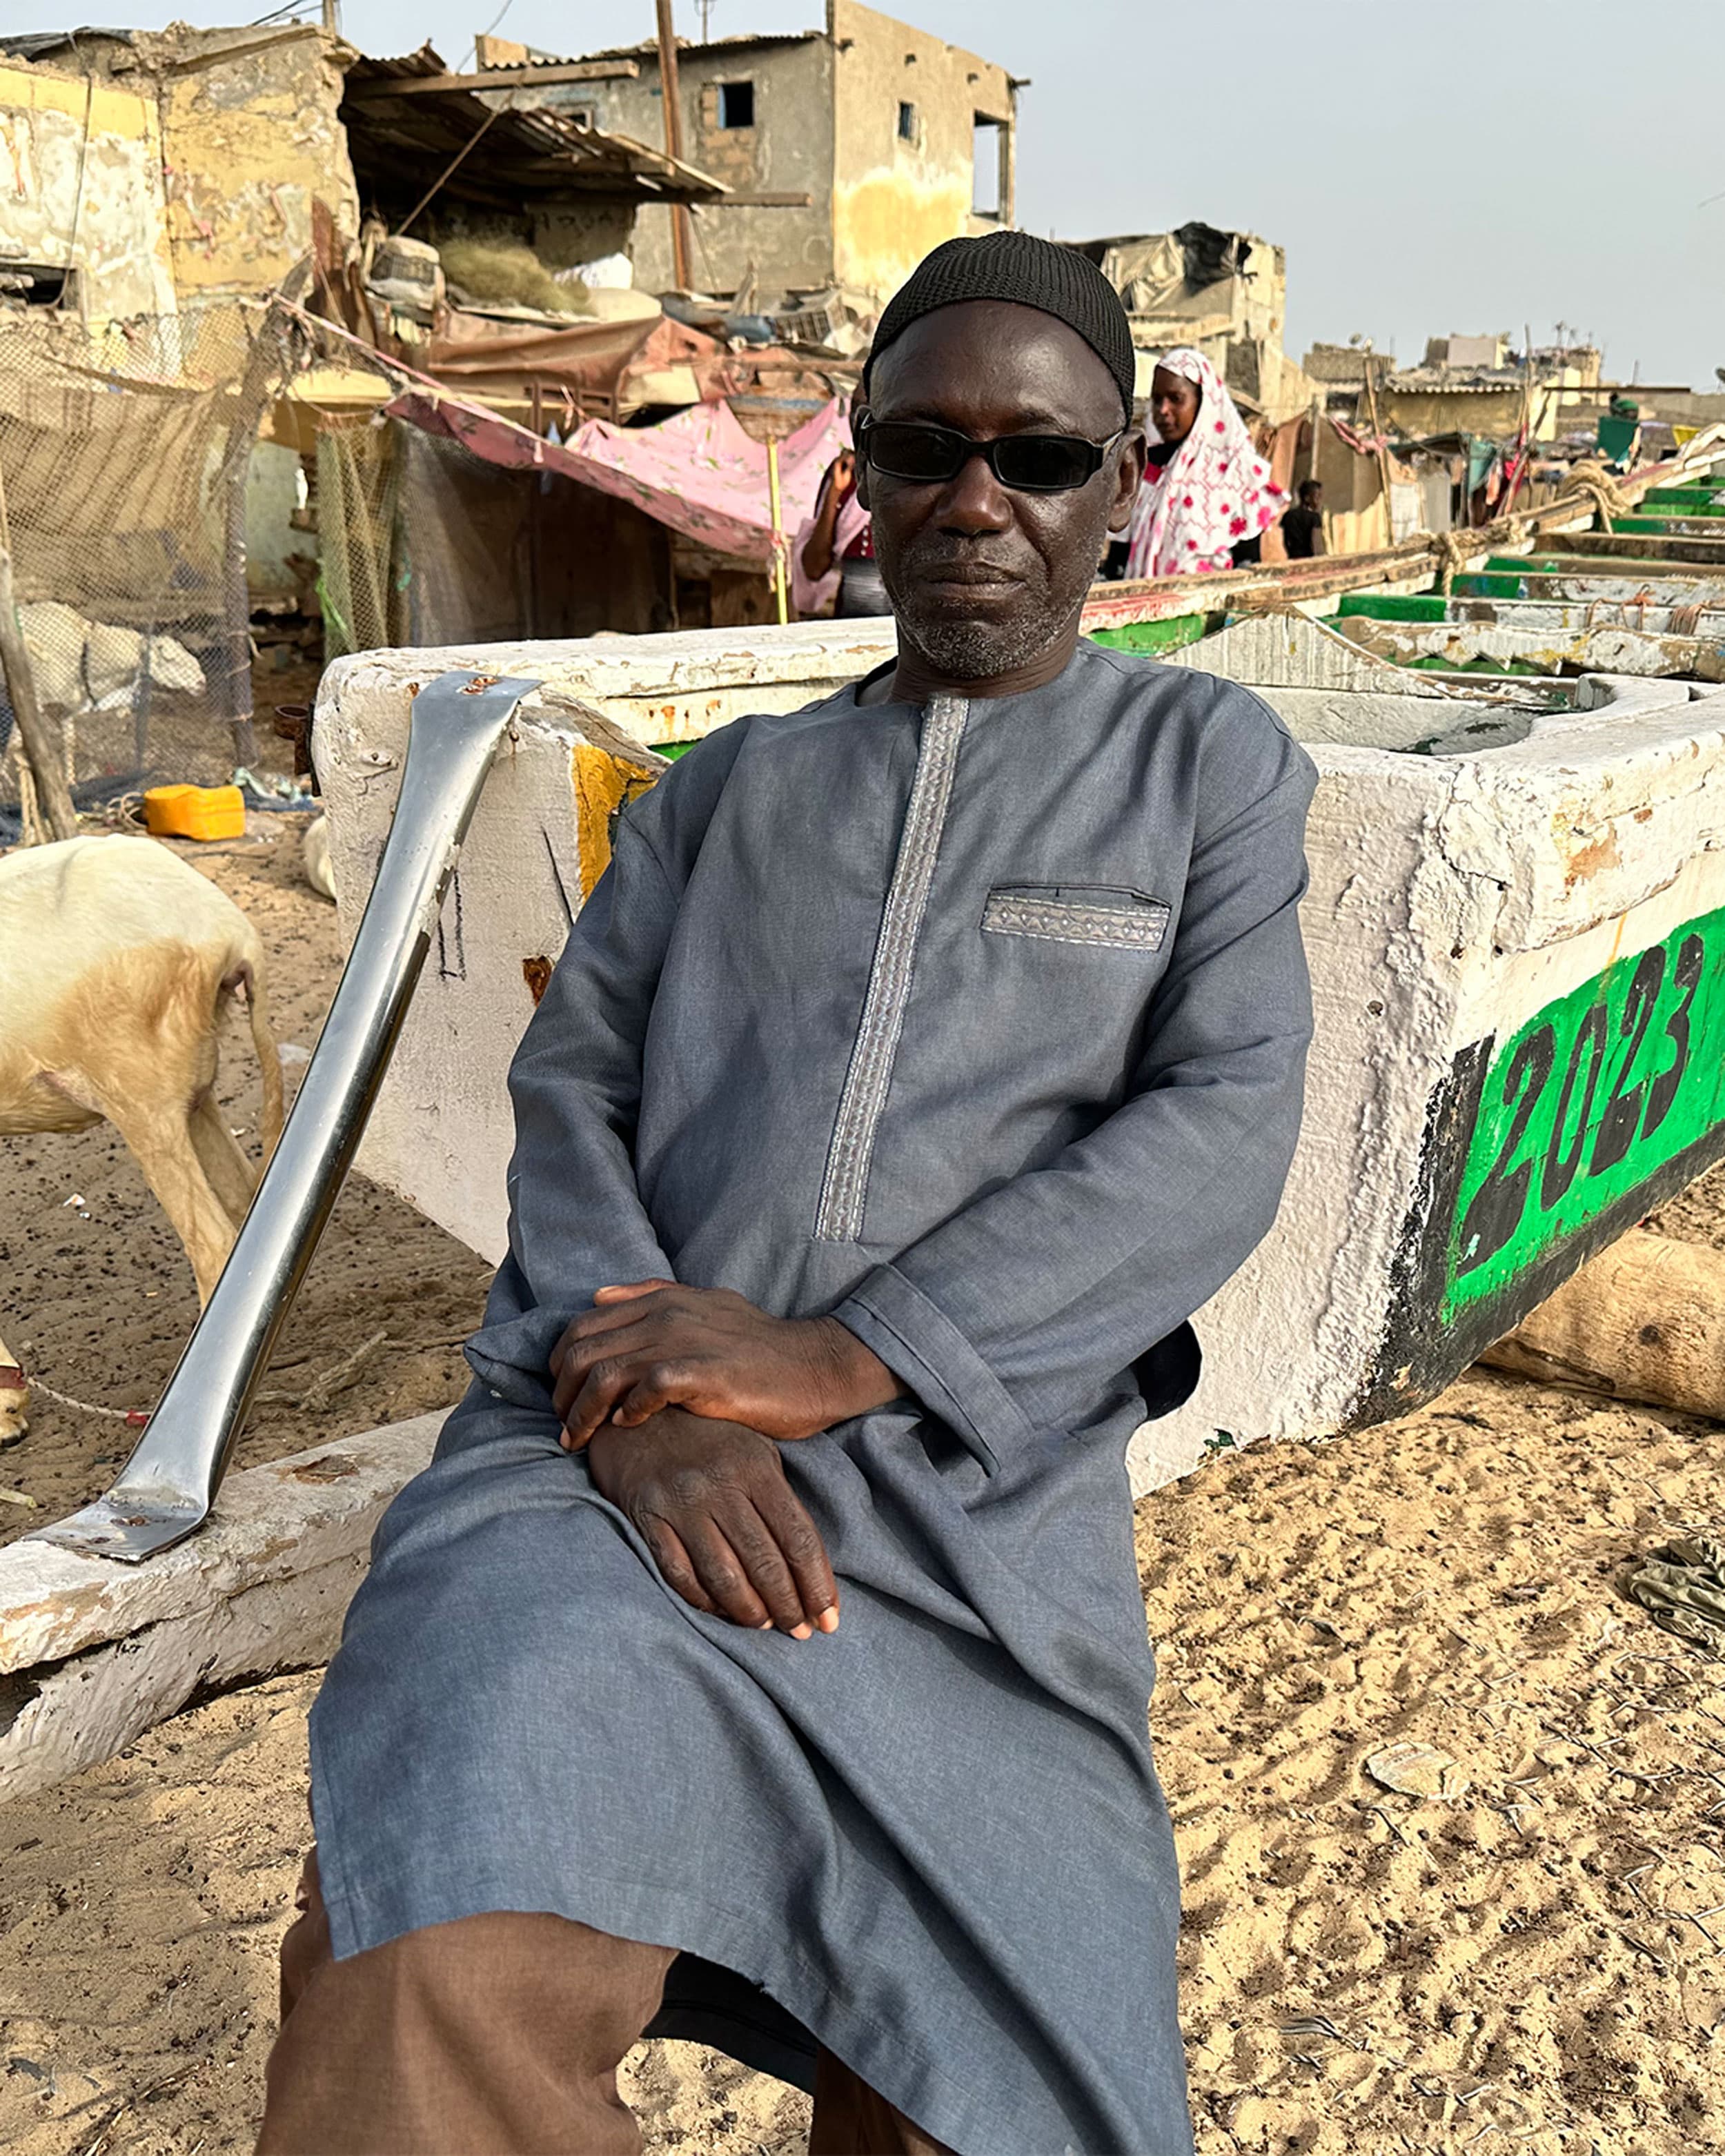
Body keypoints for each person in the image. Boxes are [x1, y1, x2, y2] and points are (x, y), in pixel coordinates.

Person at [255, 230, 1316, 2156]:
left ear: (1119, 486)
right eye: (923, 448)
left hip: (968, 1506)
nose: (976, 502)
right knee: (423, 1944)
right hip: (602, 1465)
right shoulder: (720, 792)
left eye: (1042, 457)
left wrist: (849, 1352)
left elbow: (1224, 1114)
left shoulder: (1202, 768)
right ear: (862, 479)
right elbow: (567, 1093)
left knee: (1000, 2069)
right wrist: (646, 1407)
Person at [1123, 345, 1285, 577]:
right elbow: (1120, 555)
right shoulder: (1149, 468)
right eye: (1157, 400)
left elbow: (1246, 565)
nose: (1163, 410)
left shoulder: (1237, 473)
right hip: (1139, 606)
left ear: (1203, 402)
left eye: (1176, 399)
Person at [791, 444, 891, 617]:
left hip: (898, 626)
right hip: (848, 624)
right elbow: (814, 569)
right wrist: (834, 493)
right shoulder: (845, 474)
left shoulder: (913, 474)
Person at [1281, 477, 1326, 559]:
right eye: (1317, 497)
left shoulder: (1288, 515)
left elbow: (1286, 542)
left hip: (1293, 558)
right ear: (1307, 498)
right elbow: (1315, 543)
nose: (1319, 501)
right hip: (1309, 559)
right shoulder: (1314, 517)